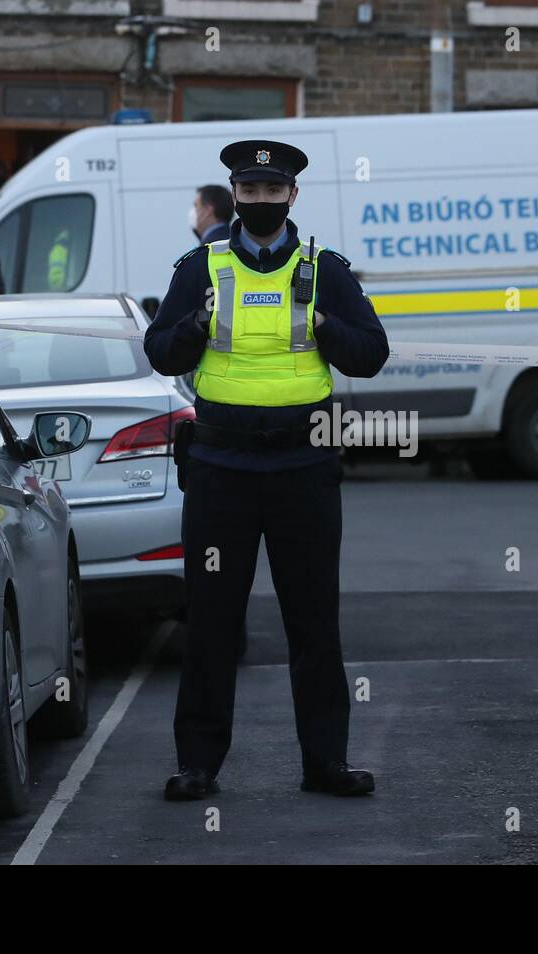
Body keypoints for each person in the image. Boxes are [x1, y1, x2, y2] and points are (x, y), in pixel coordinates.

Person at [144, 139, 390, 801]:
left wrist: (326, 328)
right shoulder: (202, 266)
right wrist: (193, 326)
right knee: (213, 621)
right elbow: (160, 351)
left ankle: (325, 763)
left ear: (291, 197)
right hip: (221, 467)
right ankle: (197, 763)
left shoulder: (324, 270)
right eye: (249, 193)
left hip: (302, 468)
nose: (260, 202)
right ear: (235, 196)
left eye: (271, 192)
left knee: (314, 622)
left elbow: (371, 353)